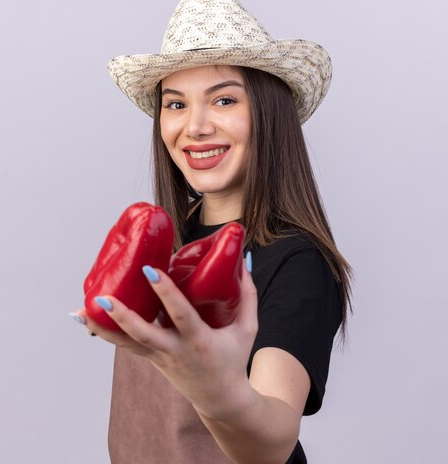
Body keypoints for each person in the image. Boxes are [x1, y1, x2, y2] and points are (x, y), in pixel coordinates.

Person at [70, 1, 352, 462]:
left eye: (224, 99)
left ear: (268, 113)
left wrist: (212, 387)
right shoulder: (165, 239)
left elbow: (273, 441)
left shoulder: (298, 260)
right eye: (176, 104)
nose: (195, 127)